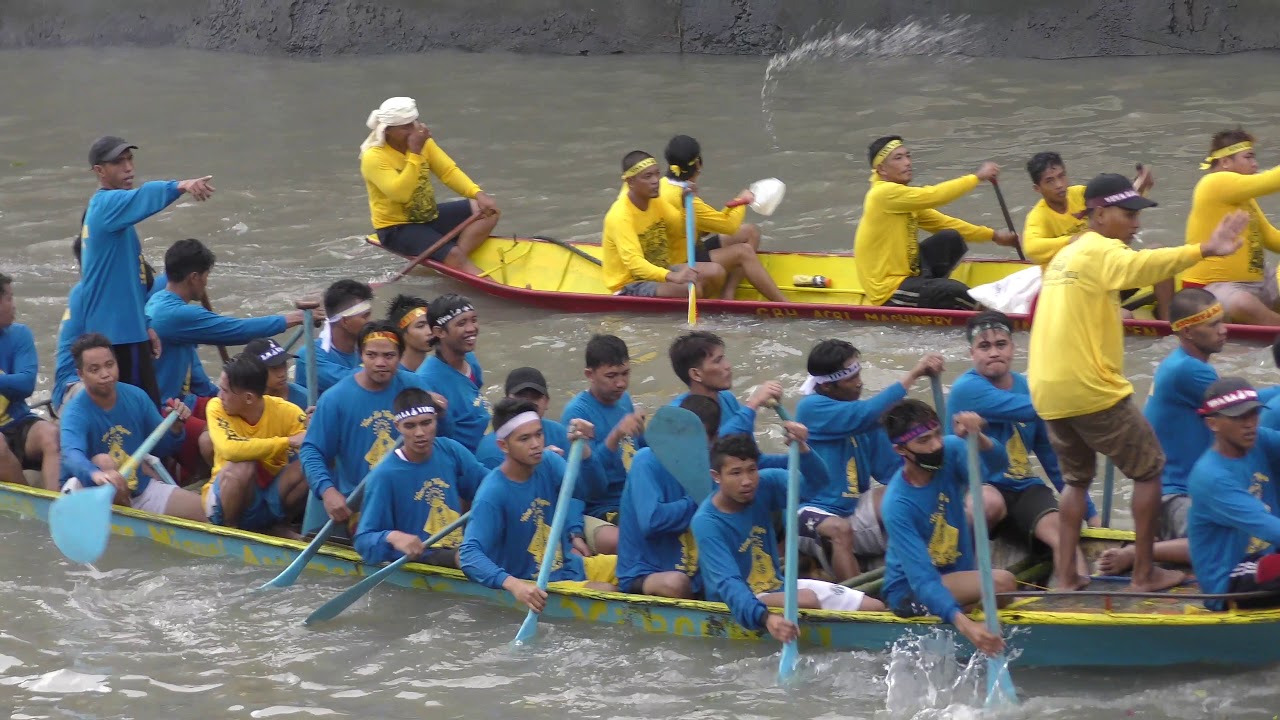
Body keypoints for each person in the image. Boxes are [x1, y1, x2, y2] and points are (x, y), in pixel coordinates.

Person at [1027, 172, 1248, 592]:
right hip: (1090, 387)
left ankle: (1068, 575)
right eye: (1128, 214)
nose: (1136, 224)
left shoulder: (1067, 253)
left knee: (1076, 480)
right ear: (1098, 213)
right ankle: (1144, 574)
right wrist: (1206, 248)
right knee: (1150, 470)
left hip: (1047, 388)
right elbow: (1142, 265)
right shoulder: (1101, 250)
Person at [1103, 289, 1280, 574]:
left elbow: (1247, 400)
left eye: (1223, 321)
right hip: (1174, 496)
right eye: (1213, 325)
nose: (1224, 331)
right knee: (1243, 542)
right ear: (1187, 332)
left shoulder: (1182, 363)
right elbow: (1242, 403)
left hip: (1178, 489)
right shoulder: (1190, 371)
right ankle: (1138, 553)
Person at [692, 432, 884, 644]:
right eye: (735, 473)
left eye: (752, 470)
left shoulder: (765, 485)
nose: (747, 481)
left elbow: (817, 485)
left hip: (779, 587)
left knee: (875, 607)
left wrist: (803, 449)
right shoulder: (706, 523)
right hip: (737, 602)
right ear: (716, 476)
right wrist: (766, 618)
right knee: (808, 598)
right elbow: (729, 584)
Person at [947, 310, 1094, 582]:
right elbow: (1034, 410)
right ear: (972, 353)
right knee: (988, 502)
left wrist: (1091, 512)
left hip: (1022, 486)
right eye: (984, 346)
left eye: (1000, 345)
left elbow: (1052, 457)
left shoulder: (1027, 387)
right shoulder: (967, 388)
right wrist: (1084, 398)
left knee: (1065, 535)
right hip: (976, 487)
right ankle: (959, 572)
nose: (993, 353)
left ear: (1013, 348)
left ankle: (1075, 599)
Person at [147, 239, 308, 480]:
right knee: (216, 438)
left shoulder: (162, 298)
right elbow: (235, 330)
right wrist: (290, 319)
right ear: (194, 278)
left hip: (185, 398)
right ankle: (205, 482)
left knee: (239, 409)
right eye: (205, 276)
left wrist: (215, 393)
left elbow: (196, 369)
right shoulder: (175, 314)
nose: (207, 282)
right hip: (164, 408)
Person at [80, 136, 215, 404]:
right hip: (116, 336)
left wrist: (146, 324)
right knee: (136, 413)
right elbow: (145, 196)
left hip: (128, 330)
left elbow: (131, 282)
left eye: (130, 159)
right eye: (118, 162)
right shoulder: (107, 204)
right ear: (99, 171)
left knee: (146, 406)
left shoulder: (119, 217)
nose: (129, 167)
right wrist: (181, 186)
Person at [794, 339, 943, 581]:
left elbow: (892, 471)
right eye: (850, 379)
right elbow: (866, 413)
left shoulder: (865, 421)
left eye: (858, 374)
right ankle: (857, 603)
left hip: (852, 508)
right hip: (811, 511)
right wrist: (914, 373)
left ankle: (925, 573)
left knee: (909, 493)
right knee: (839, 529)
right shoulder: (811, 408)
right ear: (828, 387)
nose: (859, 383)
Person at [878, 400, 1013, 655]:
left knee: (1003, 591)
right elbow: (924, 581)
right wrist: (967, 628)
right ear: (900, 449)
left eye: (938, 434)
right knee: (1004, 582)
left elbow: (998, 467)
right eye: (924, 441)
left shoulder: (951, 450)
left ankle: (976, 621)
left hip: (954, 575)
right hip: (910, 592)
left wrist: (979, 438)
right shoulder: (897, 504)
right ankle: (970, 625)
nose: (936, 445)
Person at [459, 400, 618, 612]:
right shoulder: (493, 493)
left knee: (638, 562)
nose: (536, 444)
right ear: (503, 445)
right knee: (608, 592)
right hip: (535, 584)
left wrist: (585, 450)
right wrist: (515, 586)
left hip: (570, 567)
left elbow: (592, 491)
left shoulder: (549, 462)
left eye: (539, 434)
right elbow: (468, 554)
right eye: (524, 439)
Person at [853, 135, 1019, 310]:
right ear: (882, 169)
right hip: (888, 289)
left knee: (950, 237)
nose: (908, 162)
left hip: (910, 273)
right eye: (898, 158)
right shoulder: (882, 194)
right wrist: (976, 178)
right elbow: (934, 196)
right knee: (954, 291)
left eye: (908, 156)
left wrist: (993, 236)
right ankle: (988, 310)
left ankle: (930, 292)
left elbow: (945, 223)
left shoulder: (902, 198)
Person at [300, 322, 439, 527]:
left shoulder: (416, 386)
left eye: (389, 356)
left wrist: (442, 414)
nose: (380, 363)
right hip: (364, 502)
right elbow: (312, 450)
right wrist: (327, 491)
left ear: (400, 356)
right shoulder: (335, 399)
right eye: (371, 355)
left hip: (417, 493)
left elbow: (443, 440)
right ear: (360, 355)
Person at [59, 333, 205, 520]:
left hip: (137, 490)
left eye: (109, 365)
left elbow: (163, 447)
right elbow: (71, 455)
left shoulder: (137, 397)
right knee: (104, 461)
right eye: (94, 369)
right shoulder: (75, 412)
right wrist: (96, 475)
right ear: (81, 375)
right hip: (90, 492)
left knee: (203, 512)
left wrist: (176, 428)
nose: (105, 374)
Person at [360, 96, 499, 274]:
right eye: (406, 127)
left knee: (488, 212)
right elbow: (400, 194)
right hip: (397, 227)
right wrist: (415, 153)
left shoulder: (424, 143)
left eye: (414, 123)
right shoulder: (373, 157)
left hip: (427, 215)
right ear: (387, 131)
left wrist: (478, 194)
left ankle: (452, 262)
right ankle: (456, 260)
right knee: (454, 256)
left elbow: (447, 171)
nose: (414, 130)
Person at [475, 366, 605, 556]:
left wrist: (574, 531)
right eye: (524, 439)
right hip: (526, 531)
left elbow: (588, 491)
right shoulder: (490, 452)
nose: (528, 403)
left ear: (546, 402)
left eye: (535, 397)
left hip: (566, 517)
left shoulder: (559, 434)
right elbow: (513, 512)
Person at [1022, 152, 1168, 318]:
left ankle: (1168, 325)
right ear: (1037, 188)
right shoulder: (1038, 216)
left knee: (1160, 255)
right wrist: (1073, 240)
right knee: (1125, 317)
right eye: (1050, 181)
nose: (1059, 185)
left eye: (1061, 176)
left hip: (1105, 271)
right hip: (1075, 286)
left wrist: (1141, 187)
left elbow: (1115, 205)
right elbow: (1032, 248)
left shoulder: (1079, 194)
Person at [354, 389, 489, 569]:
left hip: (459, 550)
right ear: (397, 426)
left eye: (426, 423)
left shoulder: (451, 450)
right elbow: (363, 541)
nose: (420, 433)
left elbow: (489, 486)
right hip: (422, 557)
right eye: (410, 426)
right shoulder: (384, 476)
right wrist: (392, 537)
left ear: (435, 420)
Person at [1187, 378, 1280, 610]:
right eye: (1239, 417)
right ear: (1213, 424)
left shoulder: (1258, 439)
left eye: (1253, 414)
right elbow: (1272, 529)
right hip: (1229, 579)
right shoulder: (1211, 477)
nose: (1250, 424)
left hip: (1264, 557)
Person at [659, 135, 787, 303]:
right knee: (744, 252)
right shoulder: (685, 197)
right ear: (698, 164)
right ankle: (784, 305)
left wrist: (734, 204)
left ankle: (728, 294)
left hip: (690, 246)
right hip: (680, 261)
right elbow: (729, 226)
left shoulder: (664, 184)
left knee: (750, 232)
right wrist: (742, 200)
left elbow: (711, 224)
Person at [615, 395, 716, 599]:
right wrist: (698, 499)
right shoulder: (646, 461)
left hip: (692, 570)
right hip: (646, 572)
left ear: (713, 439)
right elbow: (652, 521)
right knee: (676, 583)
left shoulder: (712, 465)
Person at [1181, 128, 1280, 325]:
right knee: (1243, 304)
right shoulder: (1212, 183)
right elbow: (1271, 180)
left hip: (1257, 283)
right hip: (1211, 288)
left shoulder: (1244, 198)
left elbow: (1272, 239)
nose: (1255, 164)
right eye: (1248, 157)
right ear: (1225, 161)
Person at [203, 355, 309, 534]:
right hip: (226, 502)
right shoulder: (216, 406)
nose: (219, 396)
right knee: (243, 465)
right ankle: (231, 531)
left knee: (312, 463)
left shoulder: (287, 411)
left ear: (249, 398)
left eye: (225, 391)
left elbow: (318, 443)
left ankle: (279, 523)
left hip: (270, 496)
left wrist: (318, 424)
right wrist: (287, 442)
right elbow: (231, 450)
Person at [602, 150, 726, 299]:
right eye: (648, 176)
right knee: (692, 289)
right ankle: (698, 308)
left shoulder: (656, 200)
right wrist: (672, 277)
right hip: (631, 282)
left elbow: (681, 231)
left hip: (659, 268)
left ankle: (707, 310)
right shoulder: (620, 216)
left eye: (657, 174)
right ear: (631, 182)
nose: (655, 181)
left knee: (716, 271)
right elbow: (635, 263)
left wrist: (685, 205)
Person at [561, 334, 646, 541]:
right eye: (611, 376)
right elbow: (589, 487)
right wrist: (615, 435)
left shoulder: (624, 399)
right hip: (604, 506)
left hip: (636, 495)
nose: (621, 383)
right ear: (589, 374)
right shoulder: (578, 413)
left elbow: (643, 452)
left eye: (625, 373)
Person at [0, 275, 60, 490]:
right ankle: (30, 504)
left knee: (51, 435)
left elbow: (26, 383)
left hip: (18, 423)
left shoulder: (20, 335)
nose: (14, 305)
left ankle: (53, 506)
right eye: (9, 298)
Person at [668, 331, 780, 438]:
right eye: (717, 361)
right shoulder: (678, 416)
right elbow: (710, 451)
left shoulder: (727, 397)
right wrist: (753, 403)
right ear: (696, 374)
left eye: (723, 358)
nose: (727, 366)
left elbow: (745, 451)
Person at [416, 294, 489, 453]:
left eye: (474, 320)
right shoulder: (426, 380)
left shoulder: (470, 359)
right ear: (439, 332)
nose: (471, 328)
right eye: (462, 323)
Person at [295, 280, 373, 397]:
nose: (370, 322)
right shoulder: (309, 355)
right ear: (345, 321)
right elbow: (352, 382)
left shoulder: (369, 349)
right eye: (365, 317)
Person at [244, 338, 309, 410]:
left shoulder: (306, 399)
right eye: (274, 368)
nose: (282, 374)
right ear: (255, 371)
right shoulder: (242, 402)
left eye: (283, 364)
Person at [386, 294, 432, 372]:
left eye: (431, 323)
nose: (430, 331)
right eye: (420, 326)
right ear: (401, 333)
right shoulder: (390, 374)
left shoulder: (439, 368)